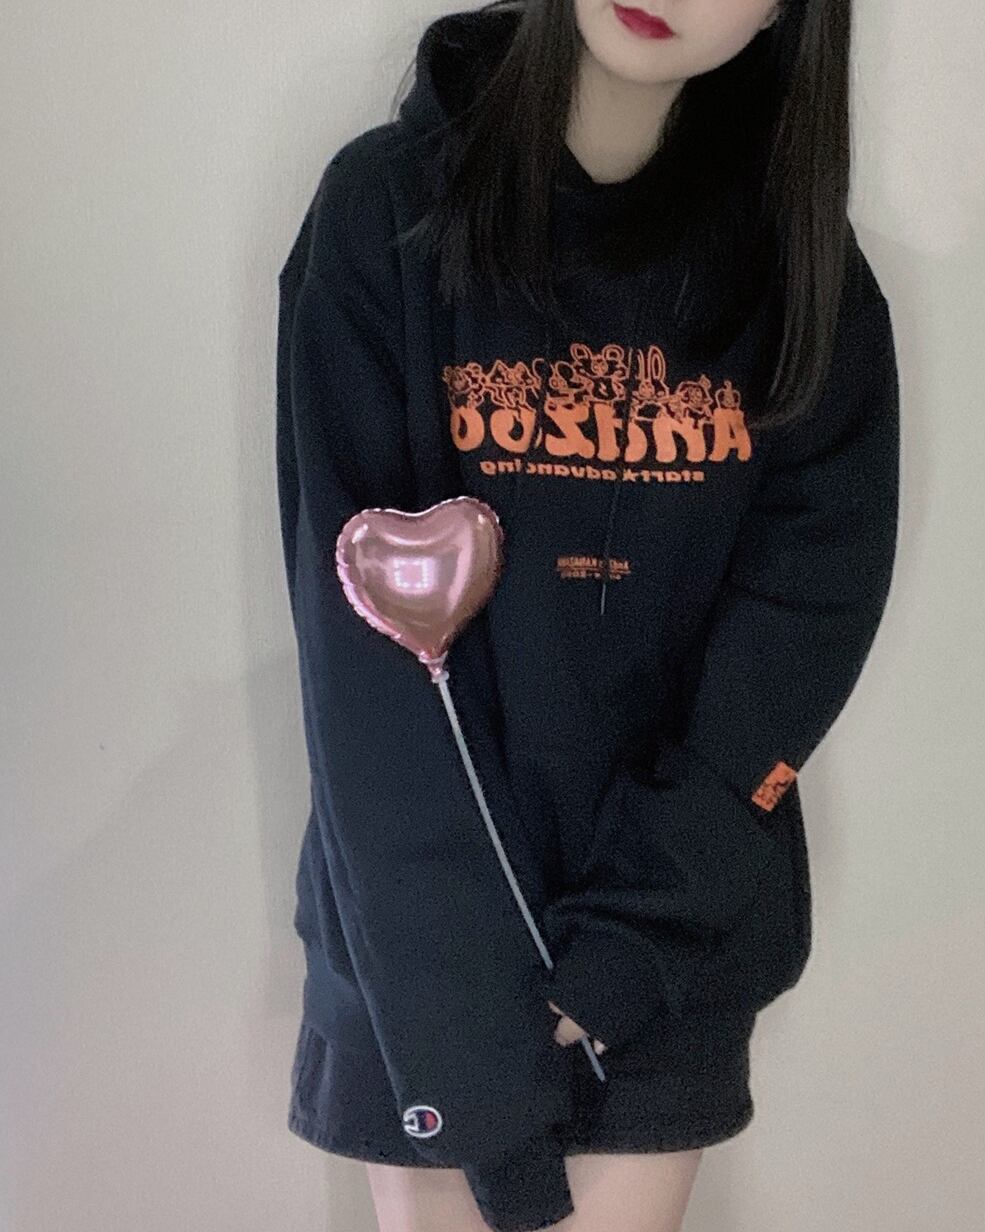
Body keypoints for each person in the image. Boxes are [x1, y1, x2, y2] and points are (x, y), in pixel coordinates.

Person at [275, 1, 900, 1229]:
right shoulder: (383, 215)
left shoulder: (802, 274)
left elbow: (796, 638)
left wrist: (621, 952)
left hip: (658, 955)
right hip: (420, 961)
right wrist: (469, 1031)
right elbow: (358, 662)